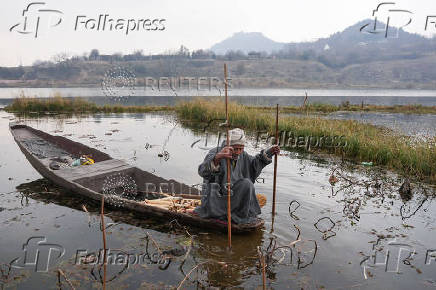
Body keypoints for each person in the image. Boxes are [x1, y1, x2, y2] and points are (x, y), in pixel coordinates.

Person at [194, 128, 280, 224]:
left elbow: (255, 165)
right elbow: (202, 171)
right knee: (247, 184)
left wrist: (269, 152)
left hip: (233, 198)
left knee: (247, 184)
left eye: (241, 149)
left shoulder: (243, 155)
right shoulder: (215, 152)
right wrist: (218, 158)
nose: (238, 152)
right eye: (235, 149)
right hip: (216, 201)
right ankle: (227, 214)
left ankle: (235, 211)